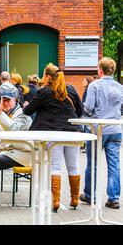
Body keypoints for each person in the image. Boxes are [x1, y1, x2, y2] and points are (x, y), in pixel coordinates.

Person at [23, 63, 83, 212]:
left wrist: (27, 105)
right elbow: (80, 111)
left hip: (53, 133)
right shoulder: (71, 89)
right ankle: (74, 199)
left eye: (44, 75)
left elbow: (28, 111)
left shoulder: (44, 92)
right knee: (73, 165)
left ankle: (55, 201)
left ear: (48, 76)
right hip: (73, 132)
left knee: (55, 166)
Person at [80, 57, 123, 209]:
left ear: (100, 69)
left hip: (98, 129)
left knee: (93, 164)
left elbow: (88, 107)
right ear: (113, 70)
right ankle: (114, 198)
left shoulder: (94, 86)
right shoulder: (120, 87)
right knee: (114, 164)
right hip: (116, 129)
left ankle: (91, 195)